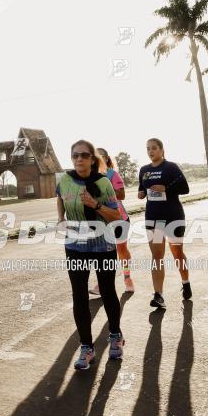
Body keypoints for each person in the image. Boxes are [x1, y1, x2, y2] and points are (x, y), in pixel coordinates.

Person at [57, 139, 124, 371]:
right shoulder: (64, 180)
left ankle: (115, 335)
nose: (78, 159)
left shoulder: (103, 183)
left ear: (92, 159)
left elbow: (116, 216)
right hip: (75, 245)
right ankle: (87, 348)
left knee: (107, 292)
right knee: (79, 296)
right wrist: (60, 218)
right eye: (75, 155)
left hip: (102, 245)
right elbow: (60, 196)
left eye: (84, 155)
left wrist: (95, 205)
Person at [138, 138, 191, 310]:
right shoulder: (144, 170)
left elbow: (185, 188)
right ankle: (158, 295)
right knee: (157, 256)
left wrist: (166, 189)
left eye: (154, 148)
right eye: (148, 149)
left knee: (177, 253)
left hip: (173, 216)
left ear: (161, 150)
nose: (151, 151)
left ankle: (185, 281)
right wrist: (141, 193)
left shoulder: (171, 167)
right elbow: (142, 190)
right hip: (153, 218)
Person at [97, 148, 135, 293]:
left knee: (121, 250)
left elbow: (121, 194)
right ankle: (102, 284)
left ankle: (127, 278)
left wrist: (103, 189)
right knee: (102, 253)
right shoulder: (91, 175)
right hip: (101, 220)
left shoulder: (113, 174)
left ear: (106, 159)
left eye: (100, 156)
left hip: (119, 219)